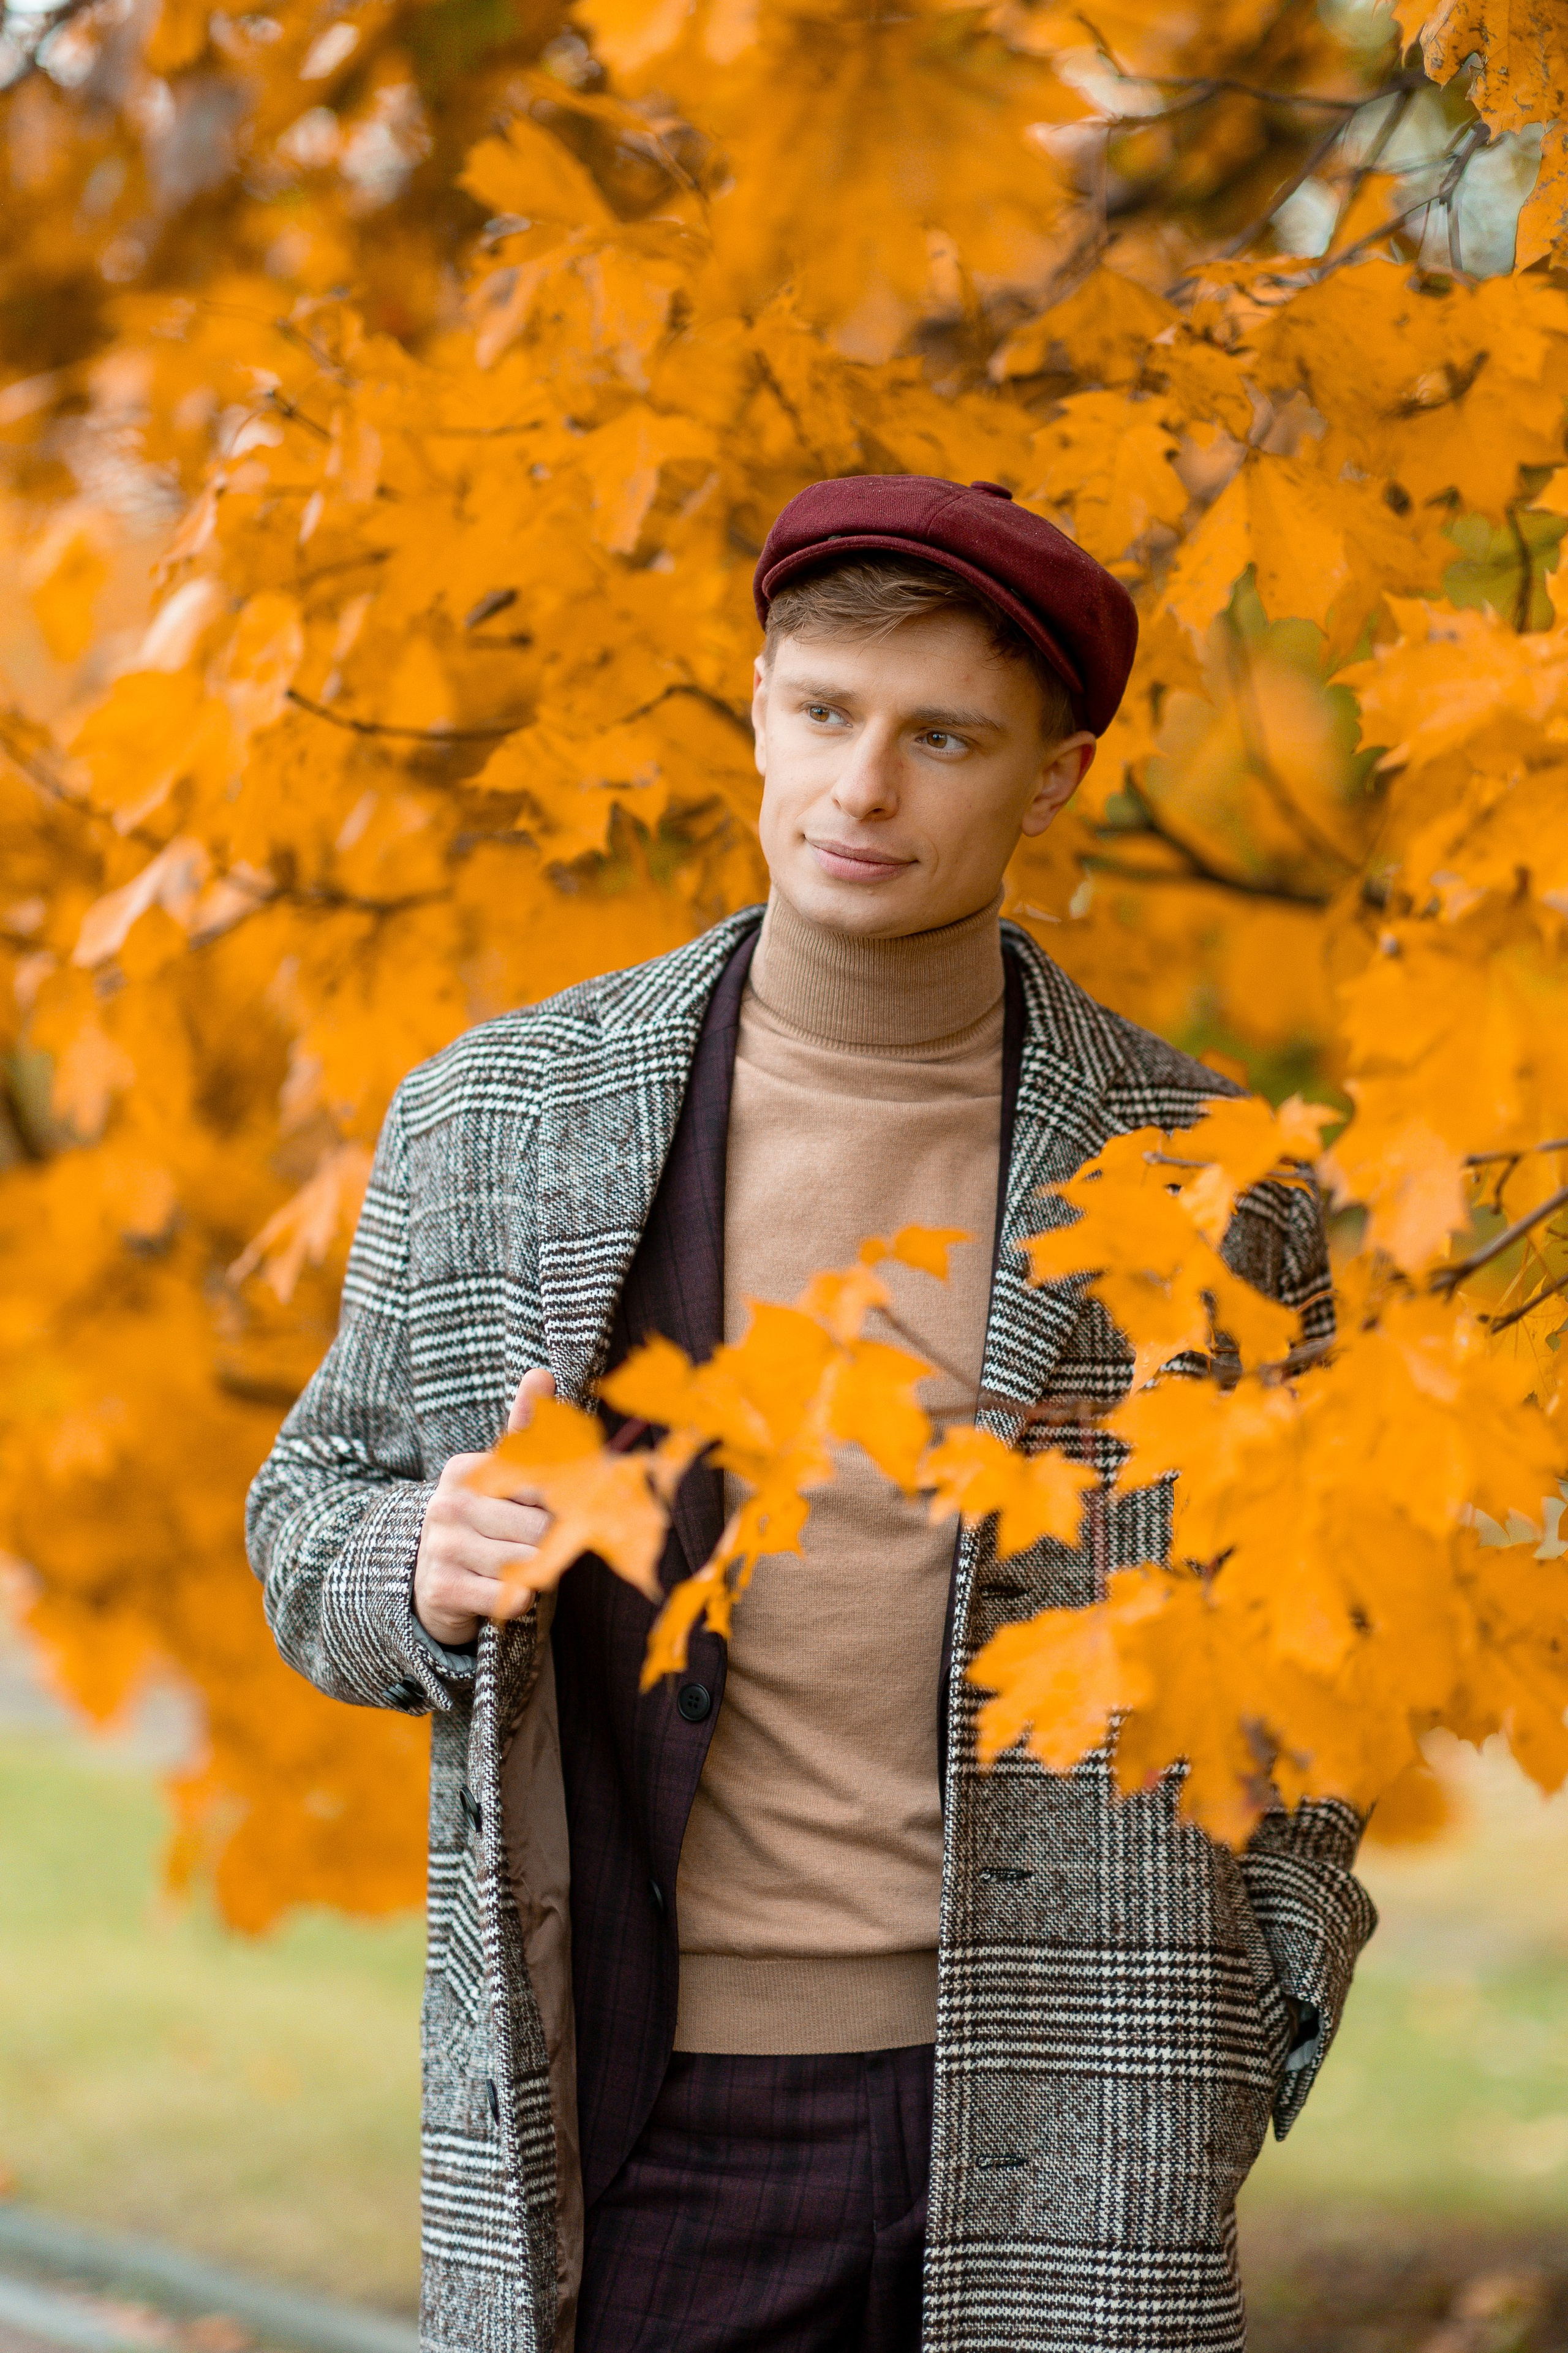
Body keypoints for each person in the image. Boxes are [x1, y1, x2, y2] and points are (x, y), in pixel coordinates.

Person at [247, 474, 1375, 2353]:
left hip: (1086, 2108)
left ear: (1054, 778)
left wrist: (1260, 1999)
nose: (863, 787)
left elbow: (1324, 1639)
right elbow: (306, 1510)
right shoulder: (497, 1118)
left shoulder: (1206, 1175)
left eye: (945, 738)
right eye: (827, 712)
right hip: (639, 2111)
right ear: (758, 707)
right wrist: (414, 1562)